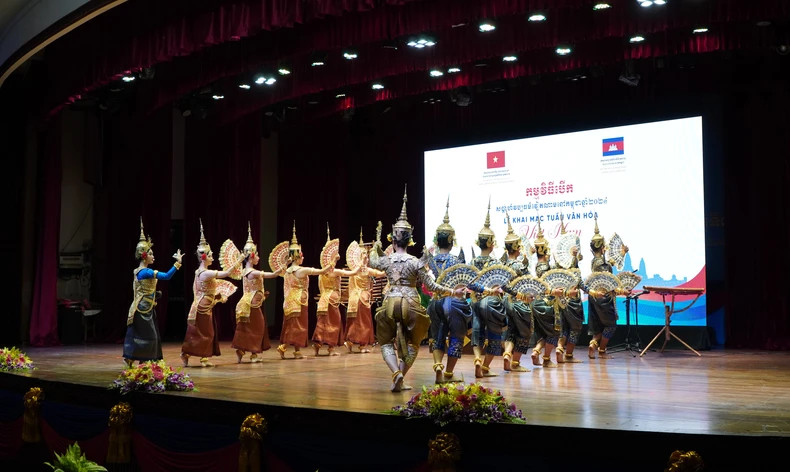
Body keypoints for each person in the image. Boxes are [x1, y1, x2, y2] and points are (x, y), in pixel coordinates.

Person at [368, 186, 463, 392]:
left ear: (392, 239)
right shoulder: (415, 262)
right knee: (412, 344)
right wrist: (452, 291)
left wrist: (376, 242)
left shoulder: (387, 260)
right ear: (409, 240)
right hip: (411, 303)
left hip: (389, 302)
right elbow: (431, 286)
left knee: (385, 342)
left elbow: (372, 261)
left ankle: (396, 373)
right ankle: (400, 374)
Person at [123, 218, 183, 367]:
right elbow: (167, 276)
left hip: (144, 307)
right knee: (151, 337)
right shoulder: (146, 272)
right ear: (144, 255)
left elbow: (143, 289)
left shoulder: (137, 271)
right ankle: (142, 360)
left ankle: (138, 359)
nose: (153, 256)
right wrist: (178, 263)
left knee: (144, 336)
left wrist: (155, 294)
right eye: (151, 253)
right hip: (143, 308)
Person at [426, 199, 472, 383]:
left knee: (437, 336)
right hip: (452, 302)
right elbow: (466, 281)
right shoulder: (456, 259)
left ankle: (438, 367)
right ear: (451, 241)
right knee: (456, 336)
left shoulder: (431, 259)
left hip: (435, 302)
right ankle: (448, 374)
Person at [181, 219, 238, 367]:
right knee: (206, 333)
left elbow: (204, 290)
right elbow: (226, 273)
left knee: (201, 332)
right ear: (204, 257)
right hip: (204, 305)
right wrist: (239, 261)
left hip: (203, 303)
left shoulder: (198, 271)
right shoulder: (206, 273)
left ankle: (194, 355)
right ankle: (193, 355)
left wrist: (219, 297)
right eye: (211, 255)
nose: (213, 257)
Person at [277, 221, 332, 359]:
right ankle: (284, 347)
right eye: (301, 255)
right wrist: (331, 262)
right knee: (299, 326)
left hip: (289, 300)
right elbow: (320, 271)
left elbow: (286, 288)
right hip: (300, 300)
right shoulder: (301, 270)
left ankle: (295, 350)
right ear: (296, 256)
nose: (303, 257)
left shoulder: (288, 270)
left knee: (291, 325)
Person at [232, 222, 283, 363]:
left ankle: (243, 351)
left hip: (250, 303)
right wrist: (282, 267)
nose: (259, 258)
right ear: (252, 256)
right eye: (257, 255)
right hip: (251, 304)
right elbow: (271, 275)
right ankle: (251, 352)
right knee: (258, 326)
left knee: (250, 327)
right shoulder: (252, 272)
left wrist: (262, 295)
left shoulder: (246, 271)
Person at [468, 200, 507, 378]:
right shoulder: (496, 263)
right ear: (491, 244)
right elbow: (502, 285)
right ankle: (485, 366)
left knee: (477, 331)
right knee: (494, 335)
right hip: (491, 303)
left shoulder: (473, 262)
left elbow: (469, 283)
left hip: (475, 302)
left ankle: (477, 359)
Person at [312, 224, 361, 356]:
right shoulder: (333, 272)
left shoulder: (323, 273)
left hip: (323, 299)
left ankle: (317, 345)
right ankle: (331, 348)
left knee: (322, 322)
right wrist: (361, 264)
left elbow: (320, 288)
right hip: (331, 299)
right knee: (334, 322)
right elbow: (352, 273)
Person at [586, 216, 628, 359]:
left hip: (594, 297)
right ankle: (602, 349)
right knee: (610, 326)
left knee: (598, 326)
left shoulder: (594, 261)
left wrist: (621, 253)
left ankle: (593, 344)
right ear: (603, 247)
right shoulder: (605, 266)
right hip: (604, 299)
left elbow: (608, 263)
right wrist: (622, 291)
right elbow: (610, 285)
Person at [500, 213, 532, 373]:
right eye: (519, 246)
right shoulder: (520, 266)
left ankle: (507, 354)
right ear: (515, 248)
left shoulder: (503, 264)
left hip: (507, 301)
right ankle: (516, 362)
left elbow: (503, 285)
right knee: (525, 333)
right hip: (519, 301)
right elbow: (529, 282)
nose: (520, 249)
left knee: (511, 331)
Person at [344, 229, 384, 353]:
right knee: (364, 321)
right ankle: (362, 345)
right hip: (363, 297)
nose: (367, 259)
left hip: (353, 298)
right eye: (365, 256)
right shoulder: (365, 270)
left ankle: (349, 341)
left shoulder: (354, 270)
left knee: (354, 320)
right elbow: (380, 274)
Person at [531, 219, 564, 368]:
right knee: (553, 333)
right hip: (547, 303)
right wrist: (554, 291)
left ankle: (536, 351)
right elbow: (545, 287)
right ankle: (546, 359)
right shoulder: (544, 268)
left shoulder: (538, 266)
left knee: (544, 333)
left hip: (537, 303)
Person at [556, 216, 584, 363]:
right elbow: (580, 283)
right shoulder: (574, 269)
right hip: (573, 301)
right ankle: (569, 354)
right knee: (575, 328)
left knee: (564, 328)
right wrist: (591, 291)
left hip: (561, 301)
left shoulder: (557, 268)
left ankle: (560, 348)